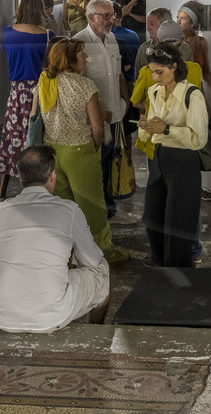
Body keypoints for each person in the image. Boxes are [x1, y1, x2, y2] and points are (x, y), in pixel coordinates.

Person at [0, 146, 112, 331]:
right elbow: (91, 260)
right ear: (52, 176)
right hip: (51, 315)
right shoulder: (68, 210)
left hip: (1, 313)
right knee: (101, 270)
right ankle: (94, 334)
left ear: (20, 177)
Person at [40, 37, 127, 262]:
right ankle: (103, 251)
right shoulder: (85, 86)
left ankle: (66, 257)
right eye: (82, 54)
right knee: (92, 206)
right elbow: (98, 128)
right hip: (79, 152)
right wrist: (95, 147)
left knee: (61, 206)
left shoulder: (45, 82)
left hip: (52, 152)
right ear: (71, 59)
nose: (86, 57)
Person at [137, 40, 211, 267]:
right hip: (159, 156)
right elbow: (150, 135)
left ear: (174, 67)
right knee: (152, 217)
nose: (155, 77)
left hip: (183, 161)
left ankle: (178, 270)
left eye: (159, 72)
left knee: (178, 224)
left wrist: (167, 129)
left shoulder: (192, 95)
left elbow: (199, 139)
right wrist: (146, 128)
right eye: (152, 72)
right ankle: (161, 263)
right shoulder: (153, 92)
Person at [75, 0, 127, 220]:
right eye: (105, 16)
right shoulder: (79, 43)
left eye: (112, 15)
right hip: (95, 120)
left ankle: (107, 204)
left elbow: (118, 75)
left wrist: (125, 102)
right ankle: (96, 210)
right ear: (90, 17)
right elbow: (76, 86)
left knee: (111, 162)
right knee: (96, 167)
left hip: (115, 113)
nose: (111, 20)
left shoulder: (112, 38)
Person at [0, 0, 52, 198]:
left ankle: (2, 189)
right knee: (38, 137)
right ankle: (39, 187)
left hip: (17, 92)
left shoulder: (8, 33)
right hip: (40, 91)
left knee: (12, 138)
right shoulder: (47, 35)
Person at [176, 1, 211, 87]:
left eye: (182, 18)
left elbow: (206, 73)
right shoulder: (173, 42)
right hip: (177, 91)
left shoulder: (201, 43)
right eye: (177, 17)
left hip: (196, 90)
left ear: (192, 23)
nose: (177, 22)